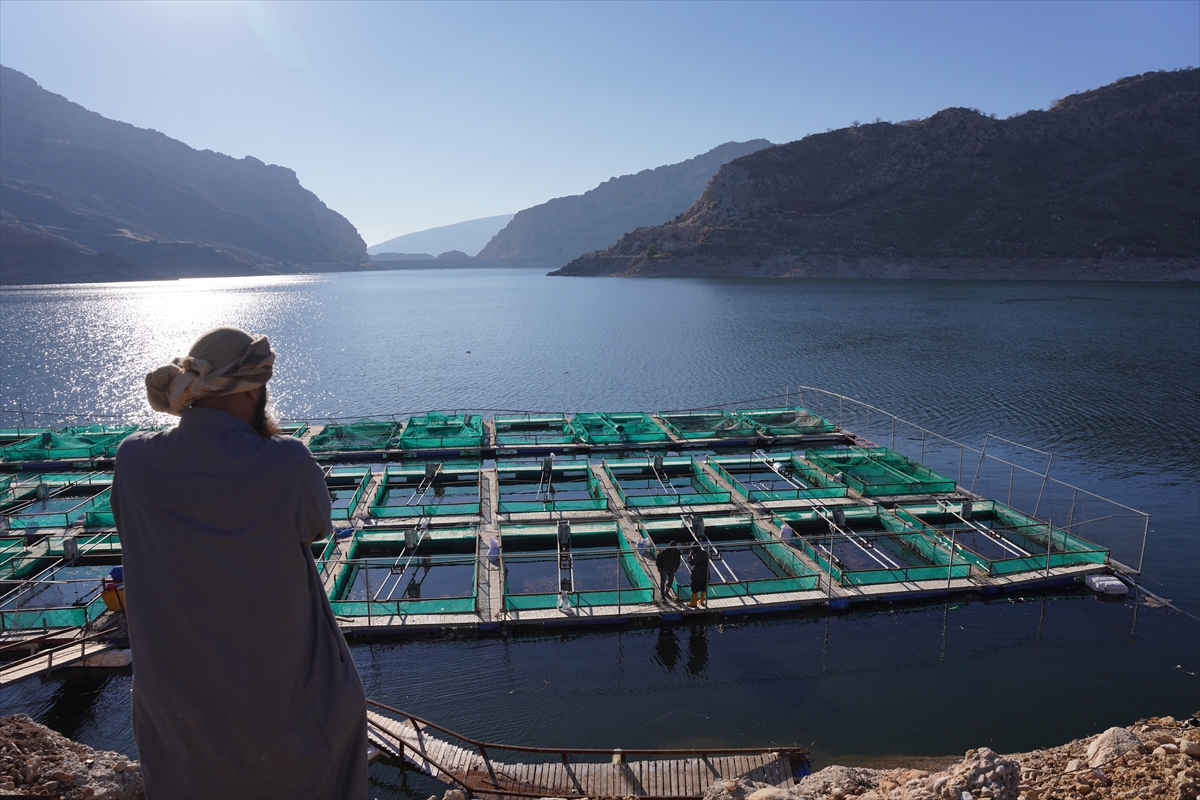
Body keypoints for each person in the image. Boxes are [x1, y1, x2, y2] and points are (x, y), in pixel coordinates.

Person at [111, 327, 367, 800]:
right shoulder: (286, 462)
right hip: (286, 718)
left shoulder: (133, 460)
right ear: (253, 389)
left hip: (176, 719)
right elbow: (316, 525)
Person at [687, 544, 710, 608]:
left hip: (698, 573)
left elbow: (692, 563)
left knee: (694, 587)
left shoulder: (698, 554)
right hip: (706, 573)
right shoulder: (705, 553)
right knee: (703, 586)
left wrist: (690, 557)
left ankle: (694, 602)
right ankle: (701, 601)